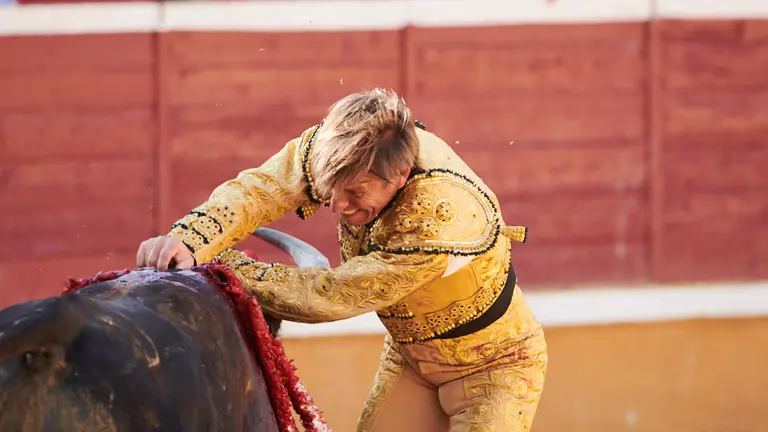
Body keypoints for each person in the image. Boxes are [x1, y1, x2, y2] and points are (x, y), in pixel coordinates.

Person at [136, 88, 548, 431]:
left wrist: (224, 270)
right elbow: (259, 190)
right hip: (411, 358)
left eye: (355, 192)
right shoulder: (342, 143)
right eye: (331, 187)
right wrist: (190, 239)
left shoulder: (439, 218)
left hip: (497, 369)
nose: (336, 205)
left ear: (400, 175)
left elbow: (332, 295)